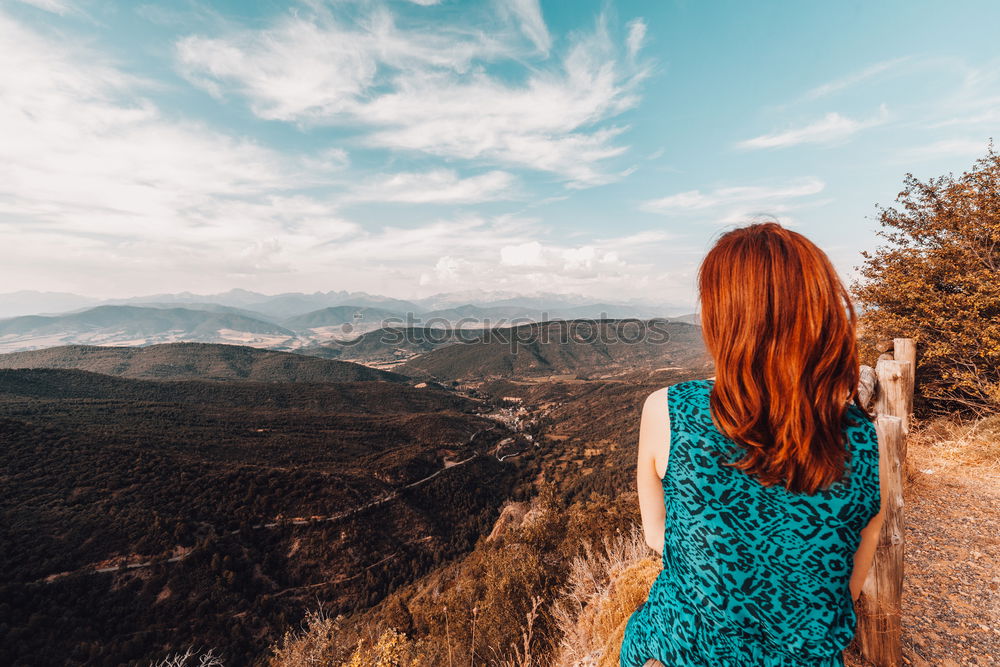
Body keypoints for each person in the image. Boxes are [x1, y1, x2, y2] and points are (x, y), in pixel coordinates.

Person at [620, 222, 886, 667]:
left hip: (679, 650)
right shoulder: (859, 435)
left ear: (725, 317)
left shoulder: (670, 410)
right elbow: (851, 570)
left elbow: (656, 536)